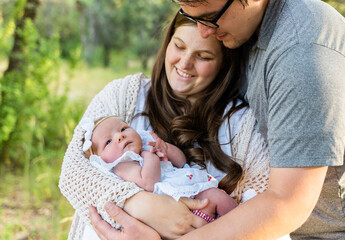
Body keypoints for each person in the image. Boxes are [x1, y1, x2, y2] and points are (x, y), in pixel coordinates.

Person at [148, 0, 345, 239]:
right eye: (191, 16)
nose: (204, 31)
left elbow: (287, 203)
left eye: (210, 17)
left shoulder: (302, 53)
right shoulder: (242, 29)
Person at [59, 12, 270, 240]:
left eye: (204, 56)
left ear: (225, 64)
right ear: (167, 42)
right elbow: (73, 171)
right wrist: (142, 205)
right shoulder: (124, 95)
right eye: (179, 46)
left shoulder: (243, 125)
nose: (185, 63)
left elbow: (263, 216)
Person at [80, 115, 238, 223]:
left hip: (192, 191)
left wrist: (166, 149)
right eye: (108, 142)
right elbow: (149, 182)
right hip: (177, 207)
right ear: (101, 160)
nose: (119, 137)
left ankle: (241, 221)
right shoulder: (122, 166)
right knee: (215, 200)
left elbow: (181, 162)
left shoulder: (147, 143)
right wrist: (150, 156)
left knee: (219, 198)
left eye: (123, 129)